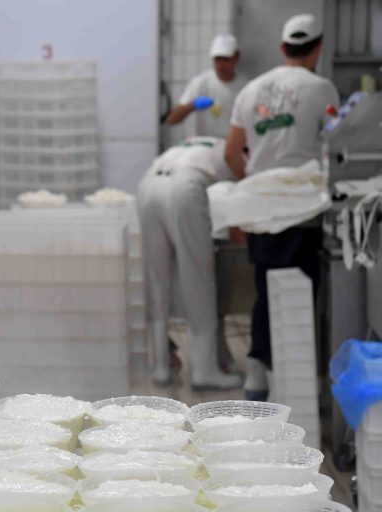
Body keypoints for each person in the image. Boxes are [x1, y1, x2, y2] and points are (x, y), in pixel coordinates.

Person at [224, 13, 339, 401]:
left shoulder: (250, 91)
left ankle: (258, 380)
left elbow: (231, 153)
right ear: (317, 49)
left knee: (266, 289)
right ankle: (294, 388)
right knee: (298, 296)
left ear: (282, 47)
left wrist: (253, 188)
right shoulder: (323, 89)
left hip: (261, 210)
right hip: (302, 211)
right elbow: (334, 150)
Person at [137, 136, 243, 389]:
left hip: (148, 184)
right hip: (185, 187)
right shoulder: (234, 151)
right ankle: (205, 371)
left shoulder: (192, 143)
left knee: (157, 280)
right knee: (198, 278)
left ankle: (160, 367)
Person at [166, 34, 248, 139]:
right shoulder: (200, 83)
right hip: (203, 143)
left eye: (226, 59)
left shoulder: (245, 86)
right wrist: (192, 105)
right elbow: (172, 120)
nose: (221, 65)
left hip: (231, 143)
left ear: (236, 57)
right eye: (217, 59)